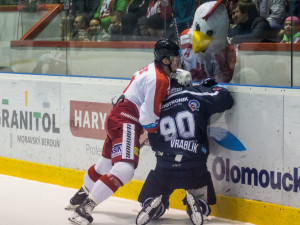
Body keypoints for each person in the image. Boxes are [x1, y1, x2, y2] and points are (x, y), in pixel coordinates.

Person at [66, 39, 181, 225]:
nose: (179, 62)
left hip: (117, 117)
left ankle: (79, 196)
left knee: (104, 165)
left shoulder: (151, 69)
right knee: (125, 169)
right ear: (166, 60)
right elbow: (148, 116)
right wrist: (154, 131)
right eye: (176, 58)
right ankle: (84, 209)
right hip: (127, 121)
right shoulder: (159, 79)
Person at [135, 71, 234, 225]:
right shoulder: (195, 94)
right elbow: (226, 99)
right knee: (203, 204)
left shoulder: (157, 102)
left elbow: (153, 139)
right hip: (193, 164)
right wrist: (213, 87)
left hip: (164, 166)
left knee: (150, 199)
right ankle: (197, 205)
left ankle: (154, 204)